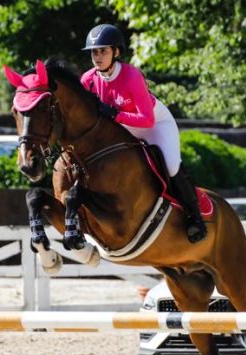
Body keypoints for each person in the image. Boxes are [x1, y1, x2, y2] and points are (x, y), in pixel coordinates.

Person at [79, 23, 207, 243]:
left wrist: (115, 115)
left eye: (103, 51)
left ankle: (195, 218)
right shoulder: (88, 80)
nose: (97, 57)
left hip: (155, 125)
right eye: (94, 52)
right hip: (123, 129)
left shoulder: (131, 76)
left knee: (171, 165)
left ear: (116, 52)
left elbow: (147, 120)